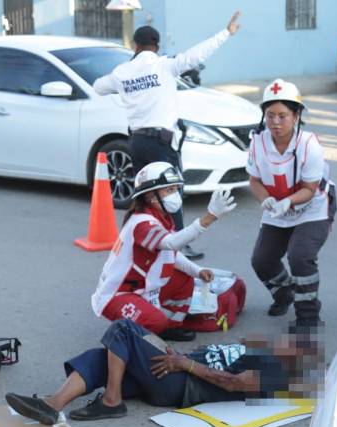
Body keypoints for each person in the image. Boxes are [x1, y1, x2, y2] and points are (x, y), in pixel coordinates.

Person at [93, 12, 243, 261]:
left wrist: (125, 81)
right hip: (161, 143)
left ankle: (140, 240)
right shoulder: (165, 65)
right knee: (170, 193)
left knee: (144, 195)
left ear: (135, 45)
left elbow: (99, 86)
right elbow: (197, 54)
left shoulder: (123, 72)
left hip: (136, 142)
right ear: (157, 46)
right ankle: (179, 245)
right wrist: (226, 32)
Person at [4, 319, 320, 424]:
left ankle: (112, 401)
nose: (286, 341)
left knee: (123, 329)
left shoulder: (276, 372)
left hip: (179, 383)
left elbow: (237, 384)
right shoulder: (261, 351)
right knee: (105, 357)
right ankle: (52, 405)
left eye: (294, 344)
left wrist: (186, 364)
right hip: (177, 368)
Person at [90, 162, 236, 342]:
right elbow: (171, 243)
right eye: (169, 190)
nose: (175, 194)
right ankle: (146, 331)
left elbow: (171, 254)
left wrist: (197, 271)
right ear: (151, 194)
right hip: (117, 295)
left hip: (141, 287)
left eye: (176, 189)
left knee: (185, 279)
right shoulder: (142, 223)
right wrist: (209, 217)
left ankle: (169, 327)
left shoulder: (161, 218)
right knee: (156, 322)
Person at [248, 79, 336, 327]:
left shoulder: (309, 144)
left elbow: (309, 189)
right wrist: (265, 200)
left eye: (283, 116)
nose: (275, 122)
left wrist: (287, 202)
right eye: (270, 115)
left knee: (300, 256)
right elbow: (254, 180)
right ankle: (284, 292)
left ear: (296, 115)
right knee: (262, 260)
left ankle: (308, 316)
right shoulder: (258, 142)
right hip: (277, 207)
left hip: (313, 207)